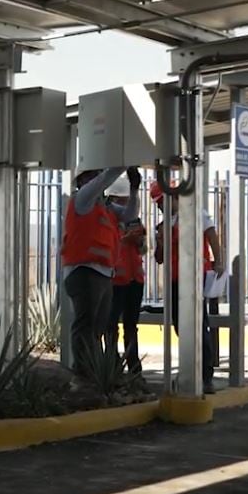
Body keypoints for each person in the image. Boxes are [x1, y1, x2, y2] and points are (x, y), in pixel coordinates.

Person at [62, 166, 141, 379]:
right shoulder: (82, 199)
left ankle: (93, 373)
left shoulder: (105, 208)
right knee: (86, 325)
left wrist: (134, 190)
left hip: (103, 274)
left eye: (95, 175)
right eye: (91, 175)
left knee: (97, 328)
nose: (95, 179)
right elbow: (105, 179)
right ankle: (82, 374)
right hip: (84, 271)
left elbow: (130, 215)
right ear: (81, 181)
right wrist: (123, 160)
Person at [150, 181, 224, 392]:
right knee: (180, 325)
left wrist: (218, 260)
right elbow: (159, 258)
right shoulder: (164, 224)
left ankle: (205, 375)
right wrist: (161, 242)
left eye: (163, 202)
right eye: (158, 204)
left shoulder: (195, 212)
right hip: (175, 280)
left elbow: (211, 235)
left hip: (194, 277)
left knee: (198, 324)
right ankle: (190, 368)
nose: (161, 207)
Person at [104, 176, 146, 375]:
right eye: (120, 200)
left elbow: (144, 249)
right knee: (111, 325)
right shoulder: (107, 219)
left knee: (131, 326)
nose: (123, 204)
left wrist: (139, 241)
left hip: (134, 280)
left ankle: (134, 367)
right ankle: (111, 366)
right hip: (115, 280)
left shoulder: (133, 219)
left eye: (125, 200)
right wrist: (124, 239)